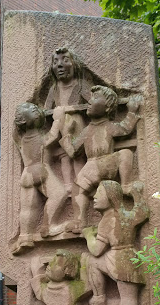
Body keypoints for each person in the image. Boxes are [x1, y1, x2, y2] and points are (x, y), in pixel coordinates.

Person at [58, 85, 141, 233]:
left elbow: (125, 129)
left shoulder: (108, 126)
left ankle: (80, 220)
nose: (90, 101)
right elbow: (72, 151)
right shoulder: (87, 130)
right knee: (125, 153)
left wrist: (133, 111)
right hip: (95, 165)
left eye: (95, 98)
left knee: (79, 189)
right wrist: (67, 133)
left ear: (108, 107)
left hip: (100, 163)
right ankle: (80, 220)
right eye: (90, 98)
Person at [82, 180, 149, 305]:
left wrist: (89, 235)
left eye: (99, 193)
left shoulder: (107, 220)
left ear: (111, 197)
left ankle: (99, 297)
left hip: (117, 259)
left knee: (90, 259)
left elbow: (96, 250)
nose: (95, 197)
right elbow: (143, 212)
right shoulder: (126, 214)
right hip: (132, 258)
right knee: (129, 298)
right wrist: (137, 193)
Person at [12, 102, 67, 253]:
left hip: (26, 176)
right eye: (30, 110)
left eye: (35, 107)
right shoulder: (38, 136)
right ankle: (48, 225)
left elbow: (14, 133)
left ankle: (25, 237)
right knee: (59, 194)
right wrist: (58, 119)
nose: (35, 109)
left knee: (28, 208)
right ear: (23, 121)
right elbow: (52, 136)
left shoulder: (21, 139)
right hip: (41, 171)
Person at [44, 47, 92, 194]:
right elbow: (46, 109)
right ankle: (67, 185)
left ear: (74, 64)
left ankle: (80, 182)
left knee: (76, 154)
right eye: (55, 61)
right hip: (59, 124)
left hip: (76, 123)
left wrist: (70, 108)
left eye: (65, 60)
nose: (60, 65)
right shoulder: (54, 89)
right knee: (64, 156)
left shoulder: (81, 84)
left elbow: (93, 103)